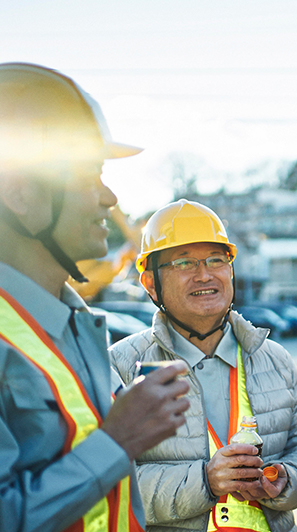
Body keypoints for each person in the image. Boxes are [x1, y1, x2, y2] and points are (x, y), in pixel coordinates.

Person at [0, 62, 191, 532]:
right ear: (20, 193)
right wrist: (119, 438)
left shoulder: (74, 321)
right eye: (89, 175)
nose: (108, 198)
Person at [110, 199, 297, 532]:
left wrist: (286, 478)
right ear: (151, 283)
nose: (204, 275)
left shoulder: (276, 360)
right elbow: (106, 480)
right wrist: (205, 481)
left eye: (216, 259)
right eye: (184, 263)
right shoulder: (121, 366)